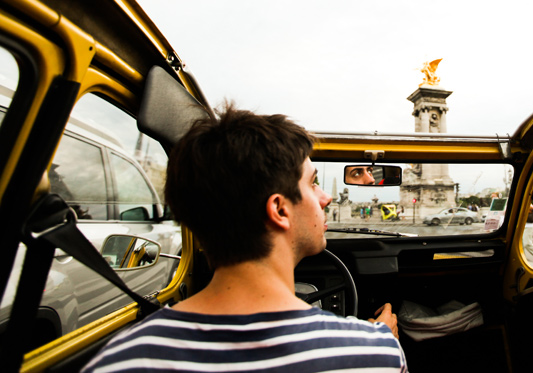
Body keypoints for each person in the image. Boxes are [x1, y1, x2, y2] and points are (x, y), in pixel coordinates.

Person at [83, 106, 406, 372]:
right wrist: (380, 338)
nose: (325, 198)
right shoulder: (372, 353)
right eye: (313, 183)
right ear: (279, 209)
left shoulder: (120, 358)